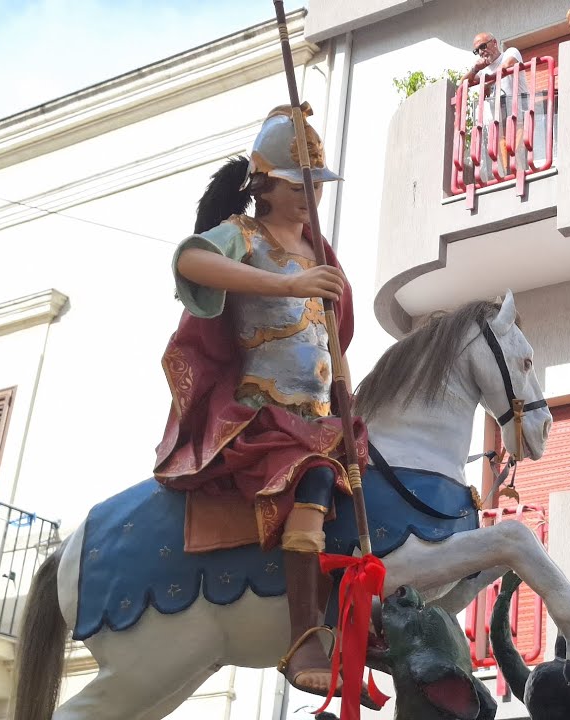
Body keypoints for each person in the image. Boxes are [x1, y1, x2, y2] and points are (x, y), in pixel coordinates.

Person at [153, 106, 377, 708]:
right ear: (265, 185)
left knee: (376, 486)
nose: (310, 196)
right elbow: (187, 260)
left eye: (316, 185)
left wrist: (347, 401)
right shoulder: (243, 236)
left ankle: (368, 614)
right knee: (311, 482)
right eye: (297, 184)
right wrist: (286, 285)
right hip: (263, 415)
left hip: (319, 416)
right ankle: (305, 637)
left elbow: (332, 344)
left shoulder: (319, 253)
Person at [463, 32, 525, 179]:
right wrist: (475, 69)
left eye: (483, 46)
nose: (481, 52)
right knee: (507, 167)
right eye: (476, 50)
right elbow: (462, 83)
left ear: (494, 43)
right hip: (500, 124)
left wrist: (486, 83)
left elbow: (505, 67)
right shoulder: (484, 71)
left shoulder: (510, 52)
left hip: (519, 116)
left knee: (519, 155)